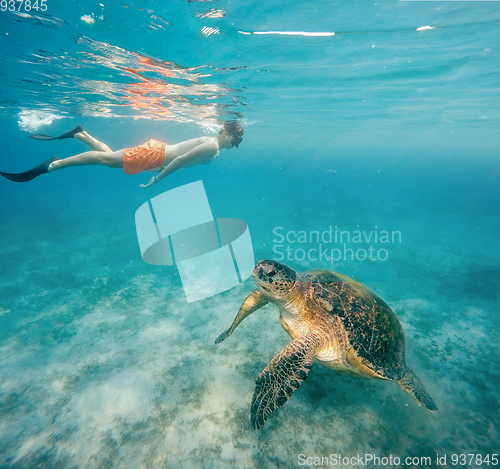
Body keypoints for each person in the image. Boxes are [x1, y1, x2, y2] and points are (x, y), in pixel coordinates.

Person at [0, 121, 243, 188]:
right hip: (155, 154)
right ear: (228, 134)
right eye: (237, 140)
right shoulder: (212, 145)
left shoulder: (215, 152)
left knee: (110, 159)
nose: (237, 145)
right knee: (106, 160)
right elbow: (179, 160)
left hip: (156, 157)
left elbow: (184, 159)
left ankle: (80, 134)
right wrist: (157, 180)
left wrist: (159, 169)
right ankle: (55, 165)